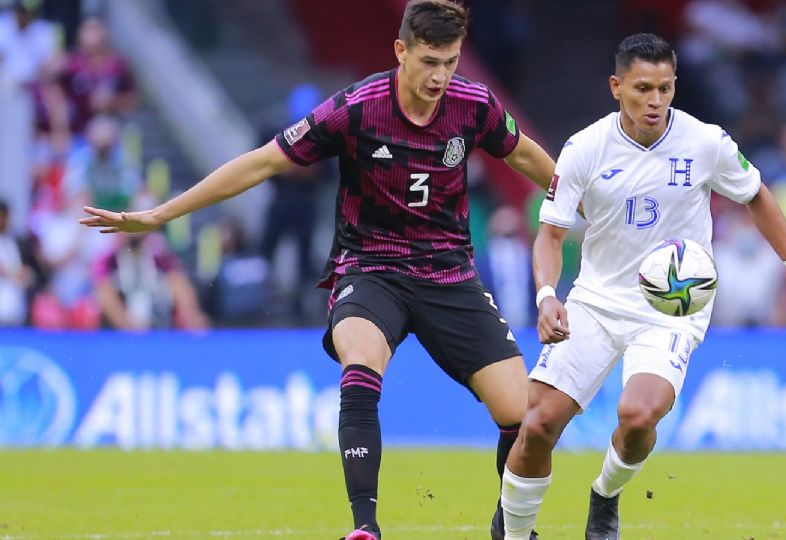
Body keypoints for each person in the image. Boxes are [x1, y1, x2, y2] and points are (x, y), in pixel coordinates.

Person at [79, 2, 555, 539]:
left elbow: (527, 159)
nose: (440, 76)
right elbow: (263, 161)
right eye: (428, 61)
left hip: (448, 274)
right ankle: (365, 527)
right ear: (401, 51)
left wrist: (583, 200)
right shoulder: (356, 108)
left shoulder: (473, 106)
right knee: (361, 359)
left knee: (524, 416)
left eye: (450, 61)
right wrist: (163, 213)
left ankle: (510, 528)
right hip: (370, 269)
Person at [498, 34, 786, 540]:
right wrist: (547, 295)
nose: (655, 101)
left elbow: (756, 193)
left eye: (665, 89)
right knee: (538, 424)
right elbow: (551, 234)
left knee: (638, 414)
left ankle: (604, 497)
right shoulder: (585, 148)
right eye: (643, 88)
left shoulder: (705, 142)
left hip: (669, 306)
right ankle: (515, 534)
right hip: (597, 300)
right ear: (616, 87)